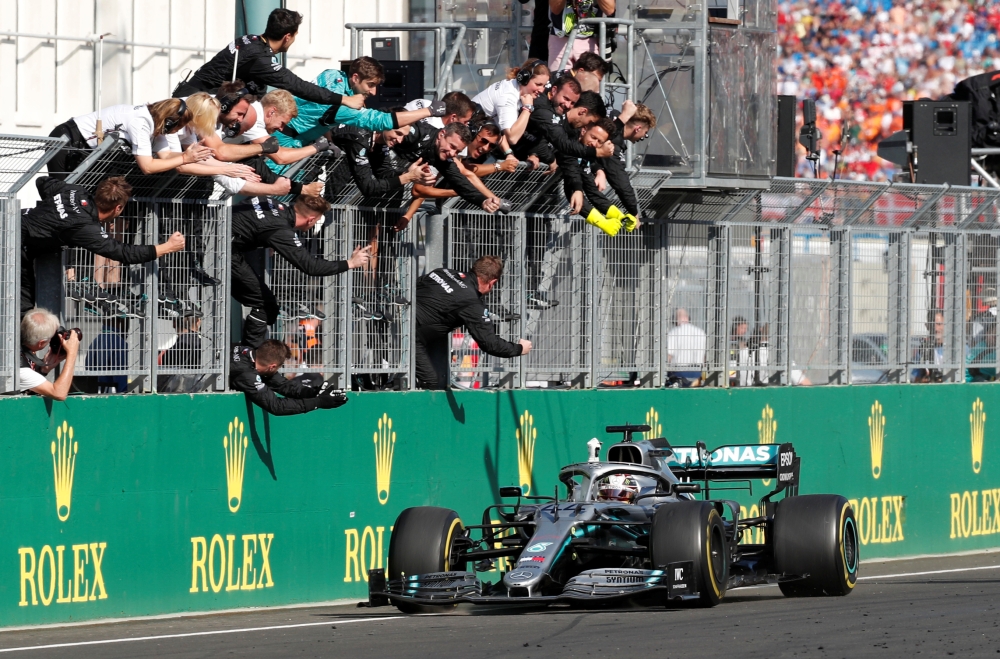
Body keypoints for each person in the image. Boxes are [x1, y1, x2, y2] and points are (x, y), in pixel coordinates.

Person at [20, 176, 186, 316]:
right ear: (118, 208)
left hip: (18, 231)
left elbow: (42, 181)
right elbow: (123, 252)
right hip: (15, 244)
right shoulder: (85, 226)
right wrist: (168, 247)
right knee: (21, 304)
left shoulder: (75, 191)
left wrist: (52, 209)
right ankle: (14, 351)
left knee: (25, 303)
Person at [230, 194, 372, 348]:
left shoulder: (270, 202)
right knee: (266, 305)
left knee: (265, 304)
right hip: (225, 252)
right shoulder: (280, 229)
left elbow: (252, 220)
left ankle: (247, 356)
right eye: (316, 221)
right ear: (311, 220)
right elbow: (310, 266)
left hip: (220, 241)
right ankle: (248, 359)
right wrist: (350, 263)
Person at [172, 8, 366, 116]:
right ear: (287, 37)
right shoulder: (260, 58)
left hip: (192, 102)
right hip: (193, 110)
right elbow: (298, 86)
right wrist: (344, 99)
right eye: (295, 36)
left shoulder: (250, 40)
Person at [275, 57, 448, 151]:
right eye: (370, 85)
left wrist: (328, 139)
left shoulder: (331, 74)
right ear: (355, 78)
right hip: (286, 144)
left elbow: (320, 114)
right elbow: (381, 121)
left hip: (274, 127)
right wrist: (429, 111)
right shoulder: (344, 108)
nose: (373, 93)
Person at [414, 255, 531, 390]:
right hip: (412, 338)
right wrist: (520, 348)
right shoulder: (472, 303)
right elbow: (490, 344)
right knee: (431, 383)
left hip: (396, 325)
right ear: (492, 282)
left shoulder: (443, 272)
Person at [46, 95, 217, 178]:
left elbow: (165, 156)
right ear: (169, 122)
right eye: (178, 127)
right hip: (67, 140)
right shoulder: (140, 122)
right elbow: (147, 167)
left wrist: (192, 155)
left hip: (81, 147)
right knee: (60, 195)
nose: (177, 132)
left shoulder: (154, 122)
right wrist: (185, 158)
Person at [230, 339, 348, 416]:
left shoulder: (250, 353)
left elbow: (283, 385)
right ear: (272, 366)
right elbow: (276, 406)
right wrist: (319, 402)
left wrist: (314, 392)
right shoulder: (247, 374)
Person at [591, 101, 655, 229]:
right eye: (645, 133)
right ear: (638, 129)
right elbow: (621, 182)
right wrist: (634, 213)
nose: (643, 137)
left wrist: (599, 170)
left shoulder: (609, 114)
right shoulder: (613, 143)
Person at [558, 117, 625, 235]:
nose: (594, 144)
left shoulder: (588, 154)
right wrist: (602, 222)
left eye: (599, 142)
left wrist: (619, 216)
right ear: (584, 130)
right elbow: (572, 182)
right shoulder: (570, 142)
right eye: (593, 137)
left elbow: (592, 192)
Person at [472, 59, 552, 154]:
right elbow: (512, 138)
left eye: (544, 86)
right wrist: (528, 108)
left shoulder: (511, 87)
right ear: (524, 79)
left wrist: (508, 153)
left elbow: (500, 127)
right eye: (538, 84)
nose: (541, 90)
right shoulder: (508, 96)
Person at [14, 308, 79, 400]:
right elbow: (59, 393)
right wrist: (72, 353)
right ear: (41, 343)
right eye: (51, 338)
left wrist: (43, 370)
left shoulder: (13, 346)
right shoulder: (19, 368)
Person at [548, 0, 616, 71]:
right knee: (559, 79)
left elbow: (610, 10)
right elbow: (555, 9)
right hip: (560, 38)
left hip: (589, 40)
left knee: (588, 79)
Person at [666, 308, 706, 385]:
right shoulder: (700, 332)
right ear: (687, 317)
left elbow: (669, 355)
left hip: (678, 372)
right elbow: (703, 356)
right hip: (697, 372)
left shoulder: (674, 332)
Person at [403, 91, 476, 130]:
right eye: (465, 121)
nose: (466, 125)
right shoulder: (438, 134)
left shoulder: (423, 102)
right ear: (453, 118)